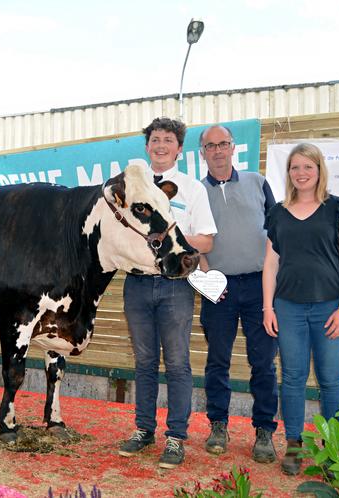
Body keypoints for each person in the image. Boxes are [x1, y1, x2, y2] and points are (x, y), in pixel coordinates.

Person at [118, 117, 216, 468]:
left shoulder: (192, 189)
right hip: (137, 284)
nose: (160, 145)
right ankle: (143, 430)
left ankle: (176, 437)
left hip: (175, 287)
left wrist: (172, 241)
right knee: (144, 362)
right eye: (155, 139)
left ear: (179, 148)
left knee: (177, 363)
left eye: (168, 140)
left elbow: (206, 239)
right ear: (147, 147)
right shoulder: (130, 188)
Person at [262, 142, 339, 475]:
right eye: (294, 167)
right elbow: (271, 264)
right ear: (288, 173)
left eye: (307, 167)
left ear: (319, 170)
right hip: (288, 309)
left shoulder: (337, 209)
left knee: (332, 381)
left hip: (330, 307)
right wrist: (267, 308)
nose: (301, 173)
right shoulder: (277, 213)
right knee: (292, 379)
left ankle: (336, 451)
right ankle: (294, 445)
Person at [198, 125, 279, 463]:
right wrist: (206, 280)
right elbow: (190, 239)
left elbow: (277, 234)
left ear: (233, 148)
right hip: (218, 288)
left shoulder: (258, 183)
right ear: (202, 152)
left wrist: (275, 286)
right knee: (217, 360)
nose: (218, 151)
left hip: (260, 285)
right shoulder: (194, 192)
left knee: (263, 362)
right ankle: (218, 424)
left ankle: (264, 431)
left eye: (223, 144)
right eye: (210, 146)